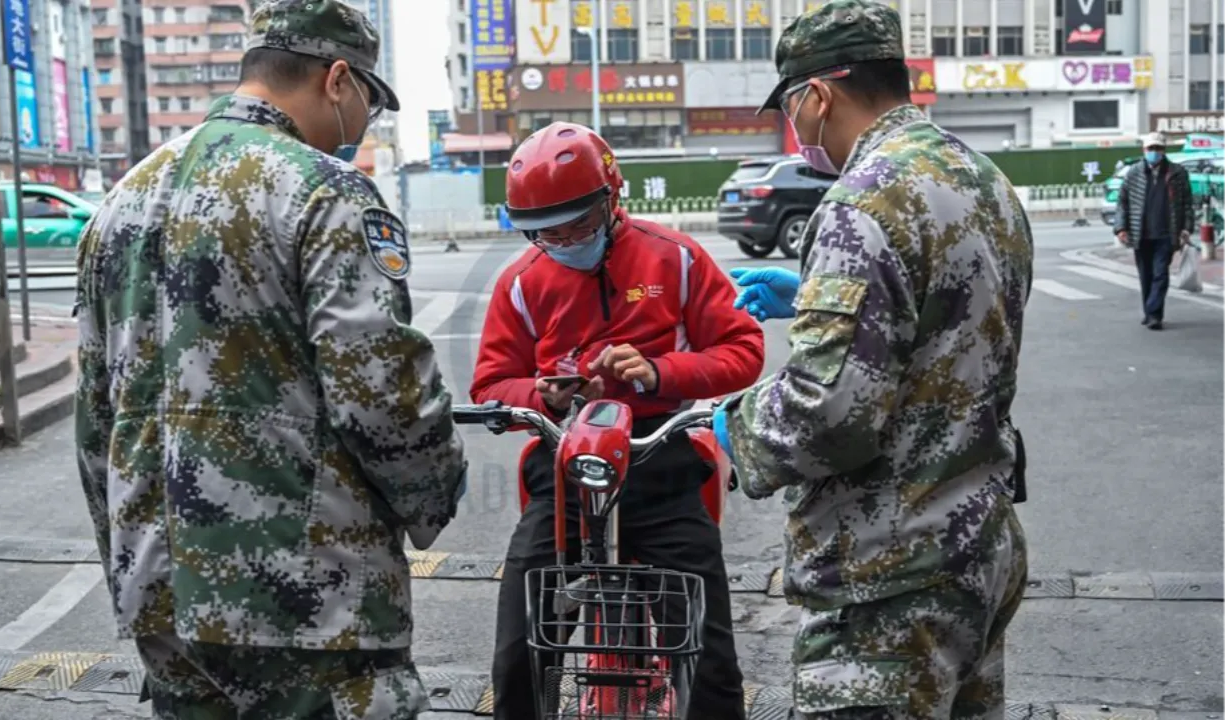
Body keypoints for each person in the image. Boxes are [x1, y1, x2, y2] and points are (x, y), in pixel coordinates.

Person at [72, 0, 468, 716]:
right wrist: (434, 495)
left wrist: (126, 562)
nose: (367, 122)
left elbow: (94, 418)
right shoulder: (325, 190)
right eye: (370, 102)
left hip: (160, 595)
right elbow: (380, 391)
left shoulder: (120, 204)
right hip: (301, 597)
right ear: (339, 79)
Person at [713, 1, 1033, 717]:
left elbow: (828, 415)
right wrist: (815, 299)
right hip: (979, 546)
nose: (793, 129)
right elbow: (955, 323)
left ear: (818, 94)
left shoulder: (862, 201)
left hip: (890, 574)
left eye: (791, 108)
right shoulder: (982, 179)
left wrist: (737, 423)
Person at [471, 121, 764, 720]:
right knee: (520, 645)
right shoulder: (522, 283)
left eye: (576, 223)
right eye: (544, 230)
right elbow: (490, 385)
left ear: (612, 198)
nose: (561, 238)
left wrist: (660, 373)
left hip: (661, 461)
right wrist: (543, 395)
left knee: (709, 647)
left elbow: (743, 351)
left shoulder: (676, 258)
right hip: (566, 476)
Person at [1114, 131, 1195, 330]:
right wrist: (1121, 227)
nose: (1154, 152)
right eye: (1151, 149)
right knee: (1146, 275)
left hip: (1167, 233)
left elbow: (1187, 204)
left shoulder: (1177, 173)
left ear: (1164, 150)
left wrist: (1186, 228)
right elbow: (1122, 203)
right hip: (1141, 233)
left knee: (1160, 273)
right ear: (1144, 150)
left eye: (1158, 148)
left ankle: (1154, 313)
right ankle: (1150, 312)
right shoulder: (1133, 173)